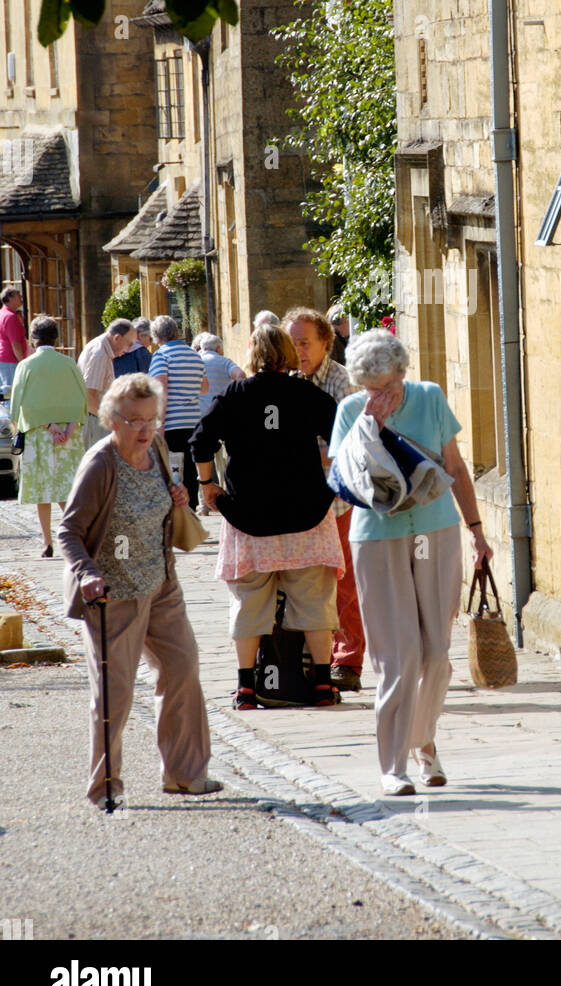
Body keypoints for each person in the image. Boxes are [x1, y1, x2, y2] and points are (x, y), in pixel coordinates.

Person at [328, 328, 493, 797]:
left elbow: (456, 468)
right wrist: (370, 427)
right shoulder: (349, 411)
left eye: (388, 386)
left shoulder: (429, 397)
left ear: (403, 371)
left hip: (434, 532)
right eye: (371, 388)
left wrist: (477, 531)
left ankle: (423, 739)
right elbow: (347, 479)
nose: (382, 396)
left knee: (437, 655)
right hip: (377, 538)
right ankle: (394, 764)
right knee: (398, 658)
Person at [57, 373, 222, 807]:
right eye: (134, 421)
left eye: (151, 419)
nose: (145, 429)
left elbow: (164, 505)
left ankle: (186, 775)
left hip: (162, 583)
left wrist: (178, 497)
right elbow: (69, 531)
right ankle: (105, 786)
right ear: (112, 419)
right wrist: (87, 573)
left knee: (183, 669)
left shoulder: (159, 450)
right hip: (113, 594)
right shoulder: (100, 464)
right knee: (115, 691)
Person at [189, 323, 344, 710]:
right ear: (288, 353)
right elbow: (345, 436)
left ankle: (245, 686)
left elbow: (200, 441)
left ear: (253, 353)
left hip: (249, 516)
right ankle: (323, 684)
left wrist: (208, 485)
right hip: (306, 514)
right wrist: (332, 482)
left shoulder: (235, 395)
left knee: (249, 602)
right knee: (313, 601)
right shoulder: (307, 394)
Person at [284, 305, 365, 693]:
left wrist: (296, 452)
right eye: (292, 342)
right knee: (308, 582)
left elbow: (347, 447)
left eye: (304, 342)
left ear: (325, 343)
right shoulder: (287, 380)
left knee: (343, 581)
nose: (298, 350)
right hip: (298, 499)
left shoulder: (341, 384)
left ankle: (348, 661)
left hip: (337, 498)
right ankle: (314, 656)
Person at [9, 315, 88, 557]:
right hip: (69, 435)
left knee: (43, 491)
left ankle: (47, 542)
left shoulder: (26, 365)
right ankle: (75, 538)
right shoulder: (69, 363)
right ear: (56, 338)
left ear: (32, 339)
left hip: (39, 434)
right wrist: (69, 428)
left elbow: (16, 407)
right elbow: (82, 399)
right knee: (67, 489)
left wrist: (49, 425)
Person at [148, 315, 207, 511]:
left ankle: (177, 514)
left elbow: (160, 391)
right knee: (190, 470)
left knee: (171, 471)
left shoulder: (161, 356)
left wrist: (159, 425)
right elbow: (204, 388)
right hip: (194, 420)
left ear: (156, 336)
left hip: (172, 422)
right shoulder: (194, 355)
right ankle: (190, 512)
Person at [191, 332, 246, 512]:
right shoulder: (224, 362)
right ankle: (225, 495)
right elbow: (241, 375)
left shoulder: (195, 361)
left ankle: (203, 504)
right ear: (218, 348)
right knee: (223, 459)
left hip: (199, 416)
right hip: (224, 417)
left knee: (202, 459)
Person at [77, 319, 134, 450]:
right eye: (129, 344)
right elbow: (89, 396)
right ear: (117, 338)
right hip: (95, 421)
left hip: (95, 420)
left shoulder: (101, 349)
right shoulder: (100, 353)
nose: (129, 349)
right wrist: (111, 421)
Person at [0, 286, 30, 391]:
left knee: (6, 393)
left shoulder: (3, 313)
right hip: (11, 360)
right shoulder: (10, 316)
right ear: (10, 298)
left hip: (5, 359)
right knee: (12, 392)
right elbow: (15, 344)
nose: (21, 297)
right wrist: (23, 363)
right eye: (18, 295)